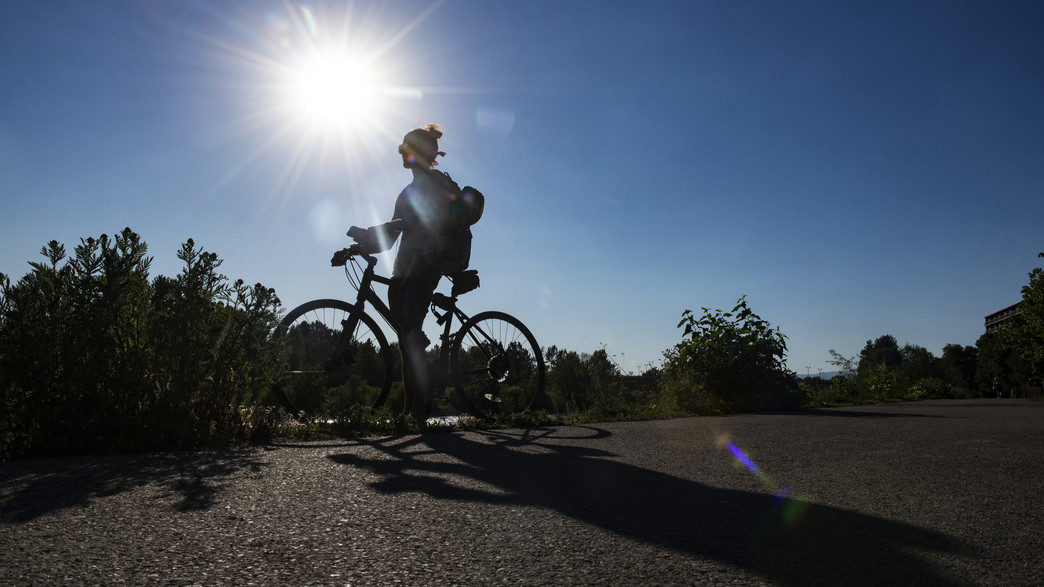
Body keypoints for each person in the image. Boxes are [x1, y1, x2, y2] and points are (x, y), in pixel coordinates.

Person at [352, 123, 468, 422]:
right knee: (405, 341)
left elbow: (421, 223)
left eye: (406, 147)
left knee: (412, 333)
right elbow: (390, 240)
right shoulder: (405, 193)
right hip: (403, 269)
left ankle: (420, 408)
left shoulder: (436, 185)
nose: (401, 152)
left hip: (428, 265)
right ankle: (408, 410)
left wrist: (382, 229)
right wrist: (361, 245)